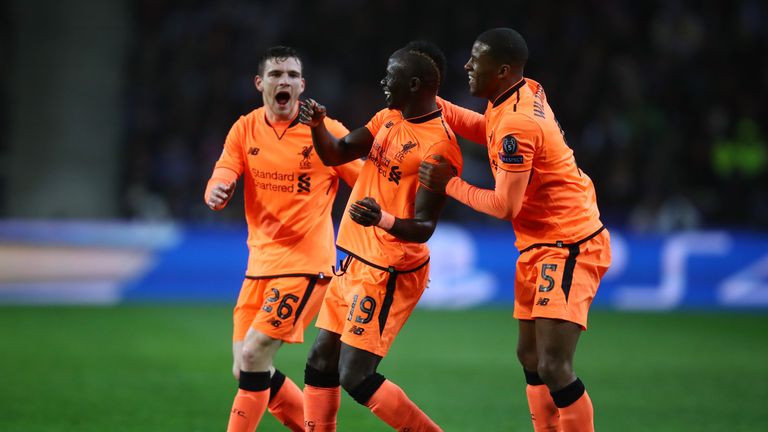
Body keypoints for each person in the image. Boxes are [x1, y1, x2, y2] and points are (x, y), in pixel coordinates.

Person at [419, 28, 611, 432]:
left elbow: (506, 205)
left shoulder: (517, 124)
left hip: (569, 243)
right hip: (540, 243)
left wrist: (449, 183)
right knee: (529, 356)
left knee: (555, 366)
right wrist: (434, 105)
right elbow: (487, 128)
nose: (467, 66)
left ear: (503, 70)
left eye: (476, 59)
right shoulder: (521, 93)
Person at [298, 40, 462, 432]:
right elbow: (336, 153)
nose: (383, 81)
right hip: (355, 258)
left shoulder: (439, 148)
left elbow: (424, 227)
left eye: (392, 75)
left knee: (355, 375)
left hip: (389, 268)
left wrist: (383, 219)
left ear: (416, 84)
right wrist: (318, 125)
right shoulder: (387, 118)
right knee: (321, 360)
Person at [204, 45, 361, 432]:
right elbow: (225, 169)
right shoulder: (245, 128)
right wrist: (217, 189)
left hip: (306, 265)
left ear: (302, 85)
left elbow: (365, 183)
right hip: (259, 264)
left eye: (292, 75)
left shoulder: (326, 133)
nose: (284, 81)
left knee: (256, 352)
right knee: (246, 368)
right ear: (261, 84)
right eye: (276, 75)